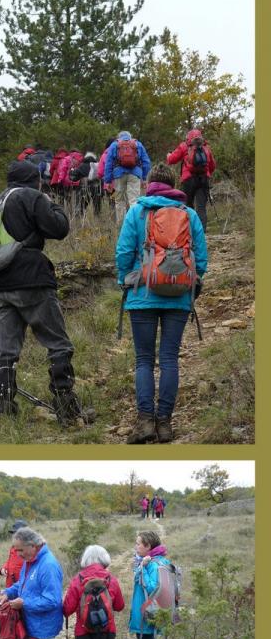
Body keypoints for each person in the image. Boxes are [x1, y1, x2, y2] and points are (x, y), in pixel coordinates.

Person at [116, 162, 208, 443]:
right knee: (169, 359)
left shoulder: (137, 211)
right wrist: (186, 283)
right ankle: (165, 424)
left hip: (141, 296)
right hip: (178, 297)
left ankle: (145, 422)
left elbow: (123, 252)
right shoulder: (189, 214)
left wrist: (126, 280)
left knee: (144, 360)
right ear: (174, 186)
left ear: (149, 184)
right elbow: (201, 260)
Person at [0, 160, 82, 425]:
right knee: (58, 343)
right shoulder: (32, 196)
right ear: (34, 179)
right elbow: (59, 228)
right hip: (33, 279)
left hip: (2, 283)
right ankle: (66, 407)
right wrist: (52, 204)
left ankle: (4, 409)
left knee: (6, 351)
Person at [0, 527, 64, 639]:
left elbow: (53, 600)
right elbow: (23, 583)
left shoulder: (48, 565)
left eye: (21, 550)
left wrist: (24, 603)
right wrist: (8, 592)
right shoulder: (30, 561)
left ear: (33, 545)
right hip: (28, 624)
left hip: (43, 628)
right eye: (16, 550)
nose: (18, 554)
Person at [62, 544, 126, 639]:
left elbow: (67, 610)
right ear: (104, 559)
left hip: (83, 632)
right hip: (107, 631)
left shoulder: (77, 580)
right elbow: (119, 606)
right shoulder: (111, 580)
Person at [130, 530, 172, 639]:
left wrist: (144, 567)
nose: (136, 546)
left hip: (147, 616)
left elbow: (152, 589)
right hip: (150, 614)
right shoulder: (158, 561)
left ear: (148, 546)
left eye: (138, 544)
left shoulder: (152, 564)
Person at [166, 128, 216, 230]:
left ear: (188, 137)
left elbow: (171, 160)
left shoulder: (184, 146)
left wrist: (168, 155)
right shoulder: (206, 148)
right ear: (201, 137)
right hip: (204, 180)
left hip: (188, 180)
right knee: (201, 207)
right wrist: (207, 174)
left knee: (188, 206)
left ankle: (189, 230)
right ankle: (202, 232)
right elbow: (212, 166)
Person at [103, 130, 152, 226]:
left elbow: (108, 163)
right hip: (135, 174)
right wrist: (145, 178)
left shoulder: (114, 145)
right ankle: (136, 224)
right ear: (130, 136)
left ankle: (121, 225)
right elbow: (146, 162)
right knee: (134, 200)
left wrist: (108, 181)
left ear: (119, 137)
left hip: (118, 175)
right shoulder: (137, 144)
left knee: (119, 201)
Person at [0, 520, 28, 587]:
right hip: (10, 586)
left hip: (23, 587)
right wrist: (4, 568)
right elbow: (10, 561)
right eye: (13, 534)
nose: (14, 536)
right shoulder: (13, 548)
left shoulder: (29, 551)